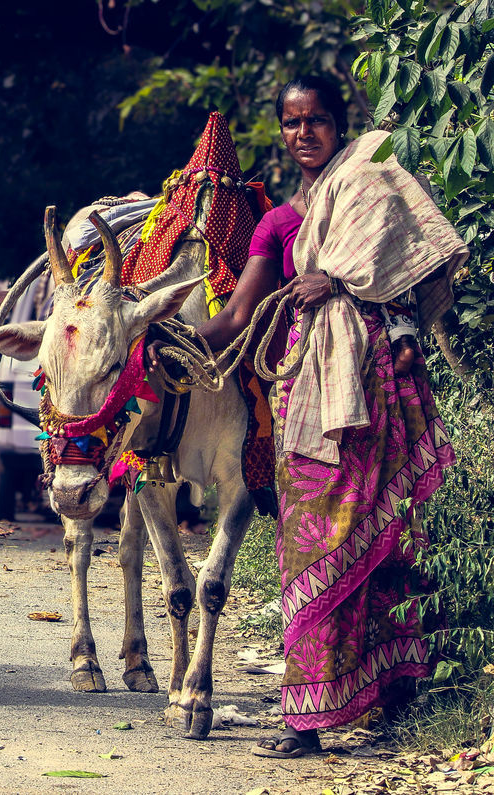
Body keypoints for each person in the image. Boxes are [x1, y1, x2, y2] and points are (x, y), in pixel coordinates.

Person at [177, 75, 466, 757]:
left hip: (379, 380)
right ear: (279, 130)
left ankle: (394, 696)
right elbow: (240, 314)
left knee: (392, 539)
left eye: (317, 121)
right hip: (311, 393)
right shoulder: (279, 222)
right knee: (312, 542)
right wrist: (171, 341)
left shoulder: (373, 182)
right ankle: (307, 717)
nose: (303, 133)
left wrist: (339, 283)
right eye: (290, 122)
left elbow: (424, 265)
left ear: (341, 125)